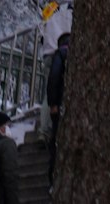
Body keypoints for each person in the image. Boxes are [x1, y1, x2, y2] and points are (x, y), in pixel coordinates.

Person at [45, 29, 70, 188]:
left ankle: (53, 180)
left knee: (56, 141)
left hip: (60, 104)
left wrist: (53, 103)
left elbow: (54, 77)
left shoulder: (60, 54)